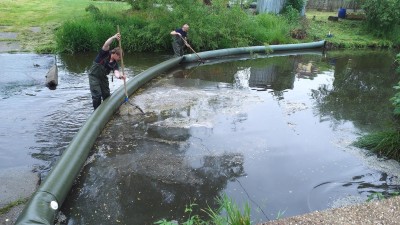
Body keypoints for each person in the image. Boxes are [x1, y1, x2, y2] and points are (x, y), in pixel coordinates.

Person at [88, 33, 126, 110]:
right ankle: (97, 112)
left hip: (103, 78)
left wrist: (120, 76)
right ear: (115, 54)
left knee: (106, 95)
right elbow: (106, 44)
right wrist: (114, 37)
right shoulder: (104, 53)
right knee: (97, 95)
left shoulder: (115, 64)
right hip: (94, 76)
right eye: (119, 57)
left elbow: (116, 73)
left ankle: (106, 111)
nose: (119, 59)